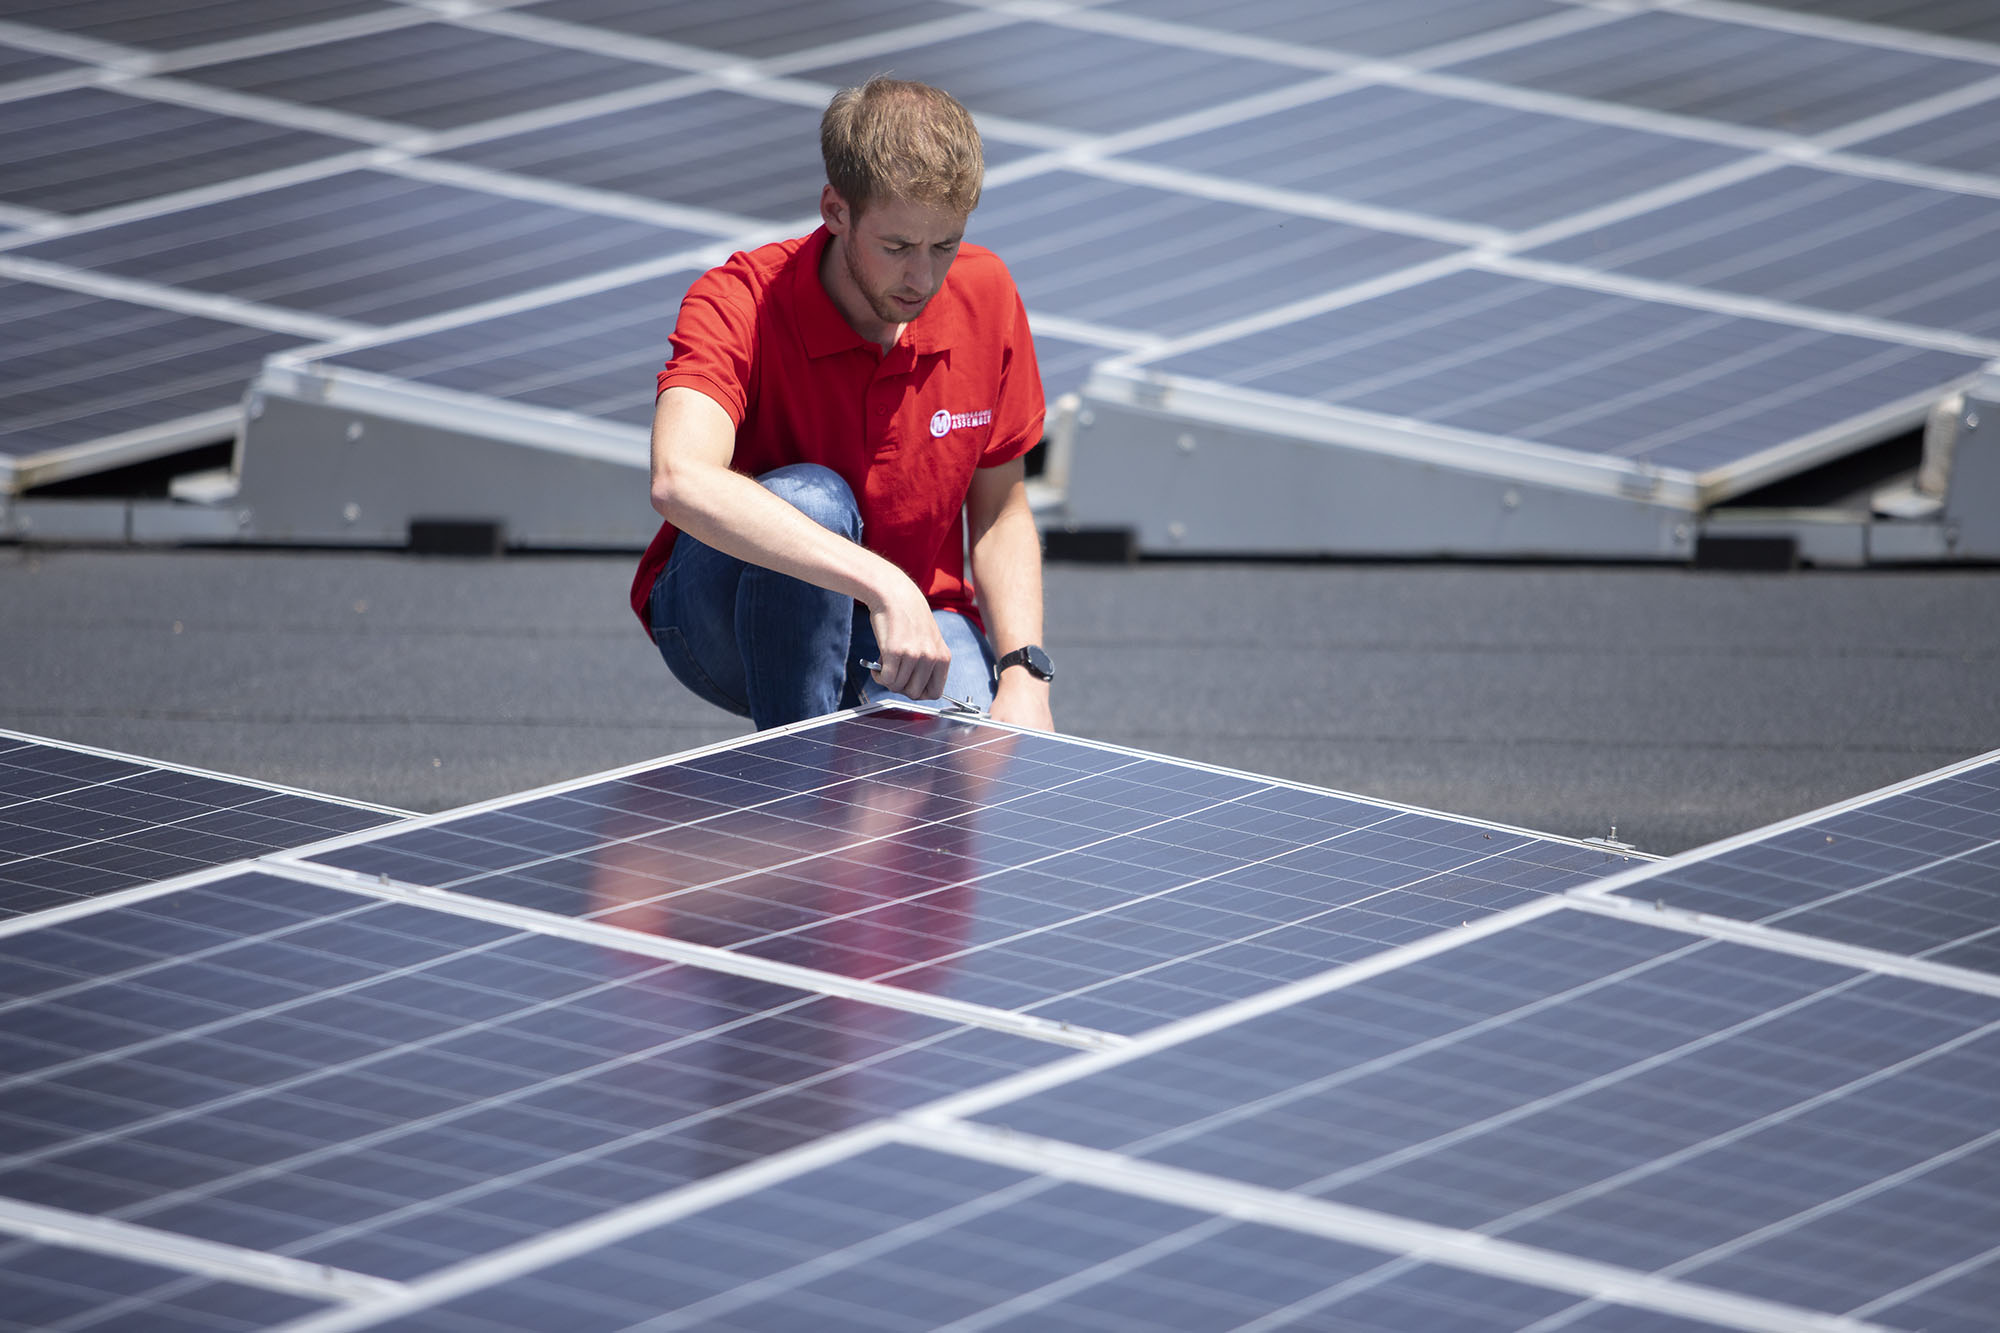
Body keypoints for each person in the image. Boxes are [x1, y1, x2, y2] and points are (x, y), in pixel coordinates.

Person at [628, 76, 1055, 733]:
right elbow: (678, 478)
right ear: (836, 211)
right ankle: (800, 792)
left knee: (967, 780)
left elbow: (1000, 508)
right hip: (723, 614)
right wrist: (880, 583)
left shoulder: (987, 294)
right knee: (813, 502)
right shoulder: (740, 299)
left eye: (945, 245)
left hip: (914, 623)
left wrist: (1025, 672)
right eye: (897, 248)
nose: (924, 277)